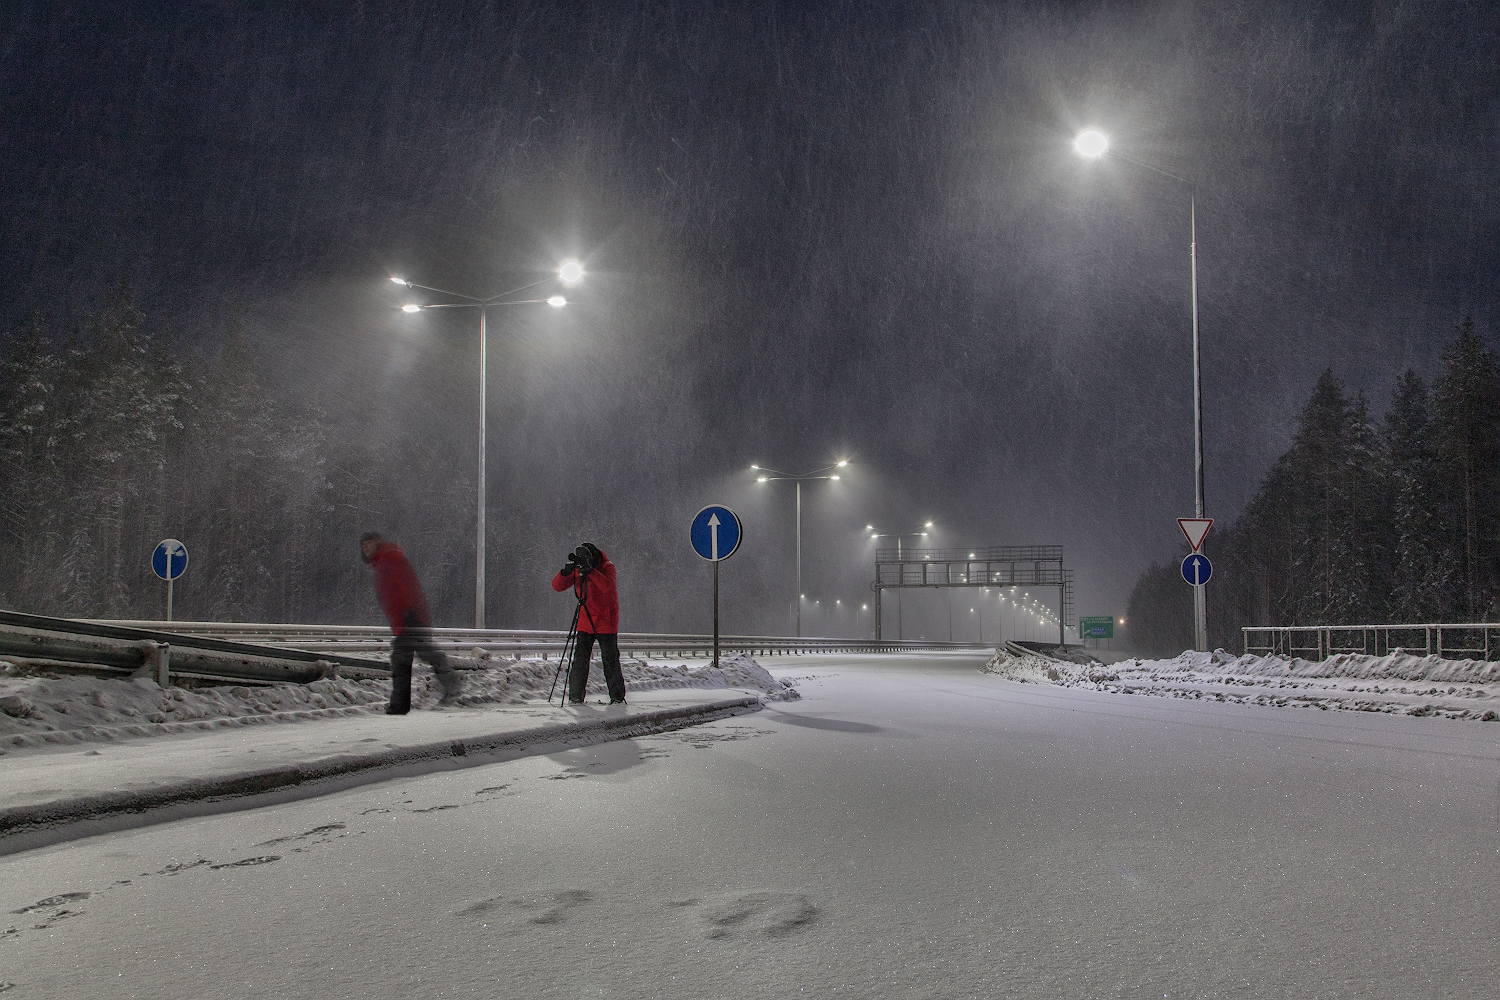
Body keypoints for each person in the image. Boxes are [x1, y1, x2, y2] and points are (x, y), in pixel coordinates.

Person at [360, 531, 463, 714]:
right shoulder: (384, 561)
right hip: (407, 619)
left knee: (410, 658)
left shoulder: (390, 559)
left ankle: (452, 688)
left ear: (378, 542)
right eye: (363, 544)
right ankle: (450, 688)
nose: (365, 547)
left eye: (369, 543)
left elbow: (401, 592)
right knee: (415, 656)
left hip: (410, 618)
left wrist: (407, 618)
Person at [551, 542, 626, 705]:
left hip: (606, 621)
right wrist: (565, 573)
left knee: (610, 660)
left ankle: (617, 697)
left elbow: (607, 586)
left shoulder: (607, 567)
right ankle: (576, 696)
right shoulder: (579, 569)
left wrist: (591, 571)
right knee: (579, 661)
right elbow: (557, 587)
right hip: (585, 621)